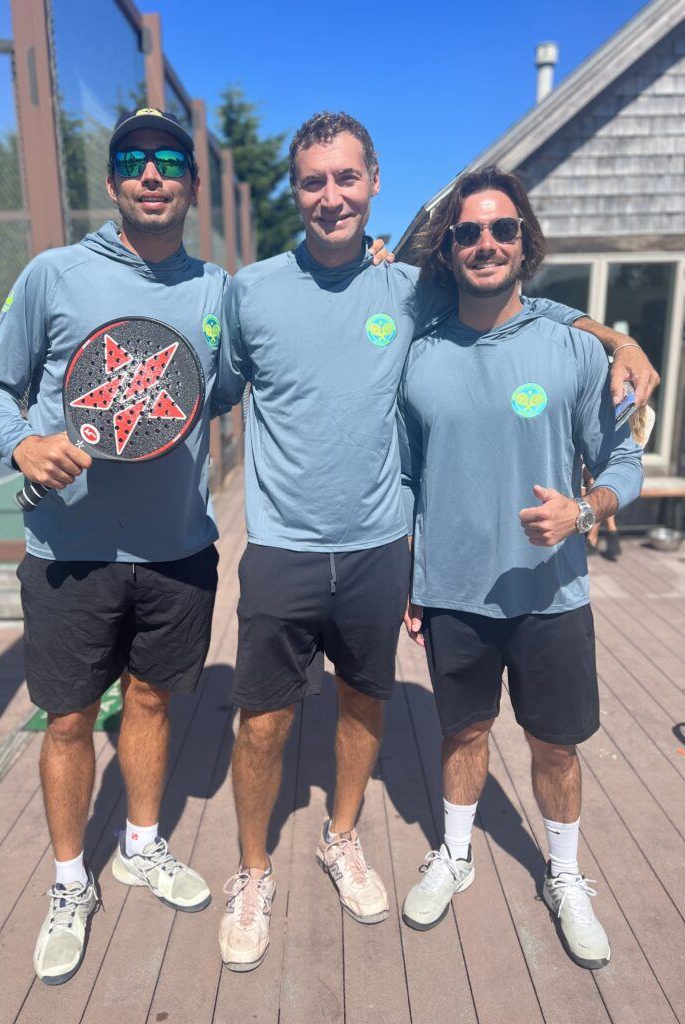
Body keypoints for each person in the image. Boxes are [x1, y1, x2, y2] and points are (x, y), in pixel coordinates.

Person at [213, 112, 654, 973]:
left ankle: (375, 844)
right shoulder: (269, 293)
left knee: (397, 710)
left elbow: (525, 309)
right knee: (278, 722)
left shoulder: (422, 296)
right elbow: (224, 388)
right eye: (313, 180)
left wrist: (616, 338)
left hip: (428, 561)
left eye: (347, 177)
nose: (331, 195)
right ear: (295, 190)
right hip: (310, 552)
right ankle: (263, 871)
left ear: (374, 181)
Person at [0, 108, 226, 986]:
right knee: (71, 720)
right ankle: (70, 880)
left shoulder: (217, 291)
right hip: (68, 552)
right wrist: (22, 445)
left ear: (192, 183)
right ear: (113, 181)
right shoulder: (54, 274)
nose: (152, 173)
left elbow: (237, 381)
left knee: (150, 702)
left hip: (177, 550)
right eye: (134, 160)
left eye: (169, 160)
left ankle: (141, 849)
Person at [398, 166, 643, 970]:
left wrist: (585, 512)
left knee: (555, 747)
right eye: (468, 232)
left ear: (524, 242)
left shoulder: (572, 348)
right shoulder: (420, 356)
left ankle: (564, 875)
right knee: (463, 732)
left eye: (502, 229)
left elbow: (624, 462)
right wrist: (409, 577)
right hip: (454, 592)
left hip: (552, 595)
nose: (486, 243)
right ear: (449, 249)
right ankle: (455, 854)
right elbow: (406, 480)